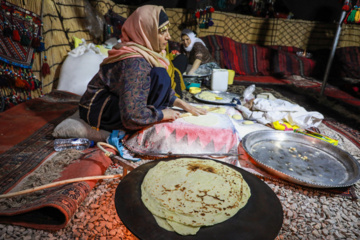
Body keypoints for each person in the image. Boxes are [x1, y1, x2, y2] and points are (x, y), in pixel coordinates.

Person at [79, 5, 206, 132]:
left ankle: (147, 117)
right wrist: (162, 114)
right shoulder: (134, 62)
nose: (168, 36)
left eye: (168, 30)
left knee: (159, 75)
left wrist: (183, 104)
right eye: (162, 31)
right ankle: (143, 123)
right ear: (146, 31)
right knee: (160, 75)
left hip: (115, 101)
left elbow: (154, 84)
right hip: (99, 110)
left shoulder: (145, 53)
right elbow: (131, 116)